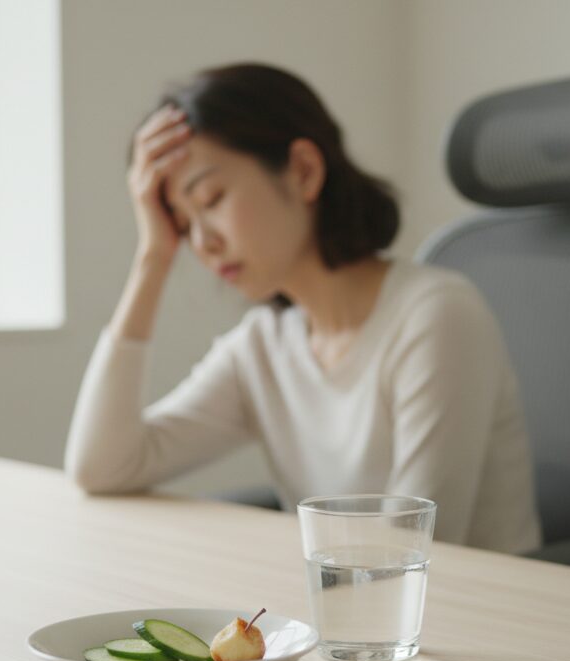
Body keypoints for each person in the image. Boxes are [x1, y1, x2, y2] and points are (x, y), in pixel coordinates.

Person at [64, 63, 541, 554]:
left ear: (304, 172)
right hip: (345, 616)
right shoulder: (263, 347)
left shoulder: (436, 316)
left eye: (212, 198)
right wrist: (153, 257)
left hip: (475, 621)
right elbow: (101, 467)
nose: (201, 242)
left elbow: (412, 552)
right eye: (182, 225)